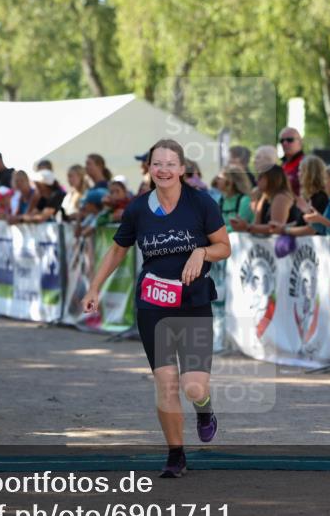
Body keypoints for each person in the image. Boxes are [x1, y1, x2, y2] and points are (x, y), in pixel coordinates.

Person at [83, 138, 231, 478]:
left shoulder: (201, 203)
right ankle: (175, 454)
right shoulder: (137, 209)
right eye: (156, 164)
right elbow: (118, 251)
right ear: (149, 168)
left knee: (194, 387)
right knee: (166, 382)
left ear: (182, 169)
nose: (163, 169)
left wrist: (201, 252)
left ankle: (204, 409)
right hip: (153, 304)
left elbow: (224, 246)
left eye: (169, 164)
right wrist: (94, 287)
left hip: (193, 303)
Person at [229, 164, 300, 235]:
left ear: (272, 178)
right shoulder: (265, 196)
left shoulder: (281, 197)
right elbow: (257, 223)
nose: (256, 180)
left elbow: (275, 229)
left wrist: (247, 227)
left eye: (260, 177)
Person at [215, 166, 255, 231]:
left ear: (230, 181)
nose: (216, 181)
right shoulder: (220, 200)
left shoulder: (245, 200)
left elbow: (239, 227)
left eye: (219, 178)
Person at [278, 127, 305, 196]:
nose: (284, 143)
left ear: (300, 142)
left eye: (289, 140)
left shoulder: (307, 164)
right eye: (282, 140)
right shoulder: (281, 165)